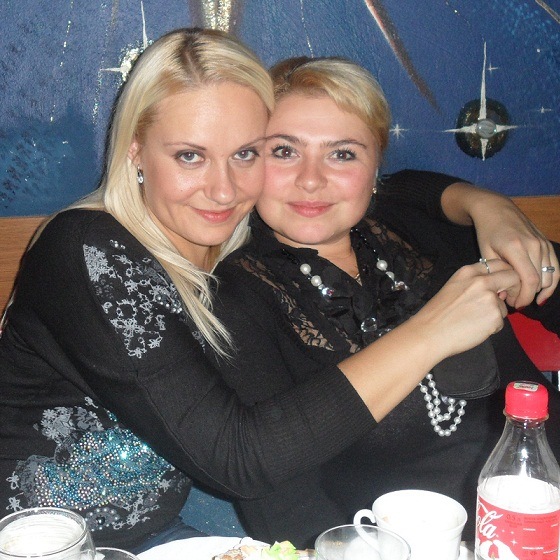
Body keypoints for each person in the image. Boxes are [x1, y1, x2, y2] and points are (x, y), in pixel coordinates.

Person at [0, 27, 553, 552]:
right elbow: (241, 461)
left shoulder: (244, 243)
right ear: (135, 150)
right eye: (190, 155)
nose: (223, 189)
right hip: (35, 540)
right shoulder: (86, 248)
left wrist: (486, 204)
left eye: (245, 153)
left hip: (167, 526)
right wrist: (432, 331)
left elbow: (392, 191)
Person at [211, 56, 560, 547]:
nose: (311, 179)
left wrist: (500, 215)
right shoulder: (233, 296)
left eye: (342, 154)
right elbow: (283, 510)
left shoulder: (414, 226)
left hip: (543, 510)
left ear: (375, 166)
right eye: (284, 151)